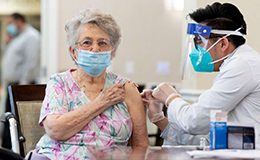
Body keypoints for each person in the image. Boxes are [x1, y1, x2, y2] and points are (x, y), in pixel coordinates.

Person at [25, 9, 149, 160]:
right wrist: (101, 102)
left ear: (112, 51)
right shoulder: (59, 83)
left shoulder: (126, 88)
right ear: (74, 51)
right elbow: (55, 130)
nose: (95, 49)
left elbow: (140, 145)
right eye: (86, 42)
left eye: (103, 43)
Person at [142, 2, 260, 148]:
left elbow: (194, 121)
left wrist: (170, 97)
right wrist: (159, 119)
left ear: (223, 44)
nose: (196, 51)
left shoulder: (242, 66)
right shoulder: (238, 65)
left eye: (199, 42)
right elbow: (210, 139)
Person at [2, 13, 41, 149]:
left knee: (19, 124)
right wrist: (7, 42)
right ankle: (7, 152)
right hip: (13, 86)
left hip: (22, 86)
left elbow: (31, 63)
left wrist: (23, 86)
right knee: (9, 122)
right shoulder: (17, 38)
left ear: (19, 21)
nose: (9, 26)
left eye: (10, 22)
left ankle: (15, 153)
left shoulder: (32, 36)